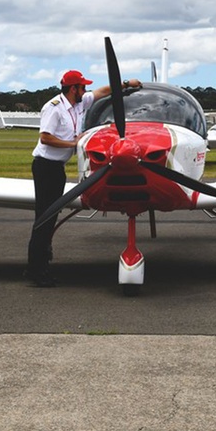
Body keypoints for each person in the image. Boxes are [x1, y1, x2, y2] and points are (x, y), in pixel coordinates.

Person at [25, 69, 142, 287]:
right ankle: (36, 271)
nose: (86, 90)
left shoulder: (80, 103)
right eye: (82, 87)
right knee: (44, 216)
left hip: (57, 167)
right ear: (73, 89)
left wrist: (126, 84)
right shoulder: (54, 108)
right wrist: (74, 143)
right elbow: (45, 138)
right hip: (45, 167)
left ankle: (40, 265)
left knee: (51, 216)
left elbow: (101, 92)